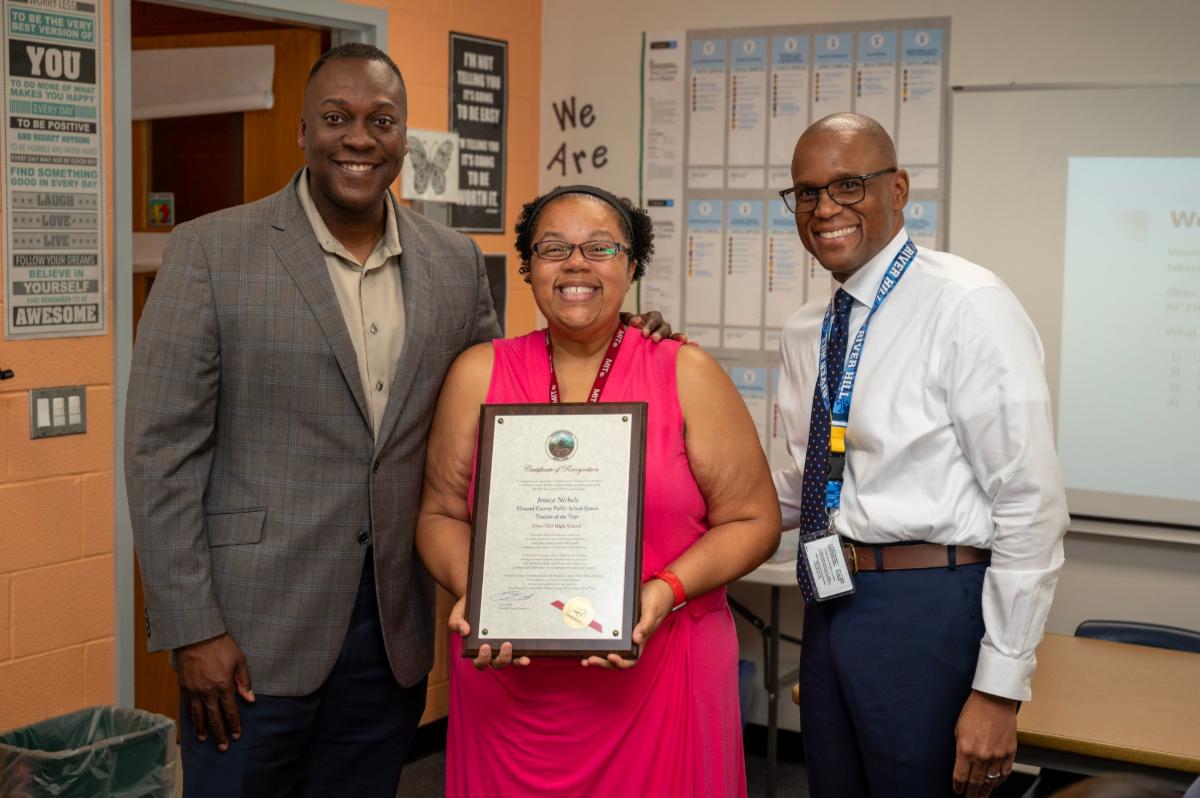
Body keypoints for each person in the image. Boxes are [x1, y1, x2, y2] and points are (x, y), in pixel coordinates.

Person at [124, 46, 668, 797]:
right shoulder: (212, 252)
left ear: (404, 137)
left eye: (381, 121)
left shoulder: (450, 261)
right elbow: (159, 454)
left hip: (391, 630)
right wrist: (192, 627)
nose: (359, 138)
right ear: (304, 131)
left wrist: (617, 332)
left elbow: (505, 408)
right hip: (250, 633)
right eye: (336, 118)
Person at [415, 185, 782, 796]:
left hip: (663, 675)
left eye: (601, 248)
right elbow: (439, 514)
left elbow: (754, 521)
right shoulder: (477, 374)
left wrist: (664, 591)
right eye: (554, 248)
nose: (576, 264)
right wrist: (479, 596)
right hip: (509, 690)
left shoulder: (686, 373)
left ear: (632, 265)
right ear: (529, 267)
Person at [772, 112, 1070, 798]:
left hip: (929, 605)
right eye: (807, 193)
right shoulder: (806, 329)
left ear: (898, 189)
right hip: (829, 599)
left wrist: (999, 687)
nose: (825, 208)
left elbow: (1029, 503)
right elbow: (820, 478)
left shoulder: (967, 304)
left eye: (849, 185)